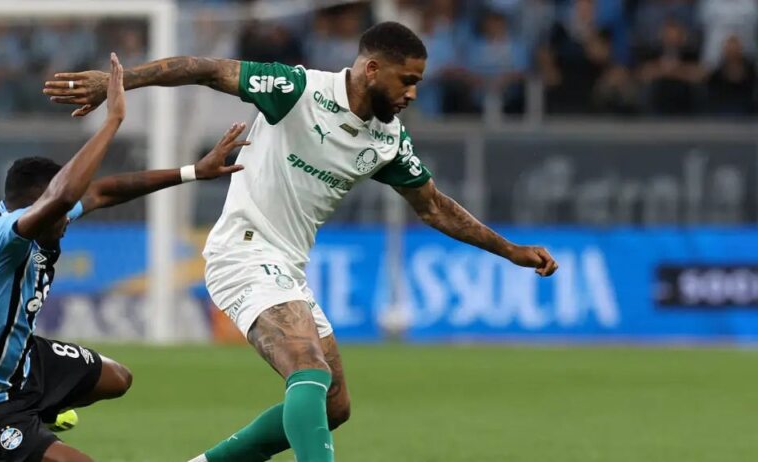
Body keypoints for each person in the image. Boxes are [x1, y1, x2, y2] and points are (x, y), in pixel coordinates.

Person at [45, 23, 558, 462]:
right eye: (408, 80)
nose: (413, 94)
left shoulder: (388, 139)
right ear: (372, 70)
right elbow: (205, 68)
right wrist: (118, 83)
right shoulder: (297, 90)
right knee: (308, 368)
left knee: (333, 405)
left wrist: (509, 249)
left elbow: (433, 206)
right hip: (243, 251)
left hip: (286, 268)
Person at [0, 53, 249, 462]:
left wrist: (192, 172)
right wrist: (113, 119)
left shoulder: (32, 218)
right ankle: (27, 428)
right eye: (60, 214)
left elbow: (100, 192)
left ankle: (40, 409)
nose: (69, 220)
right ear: (38, 207)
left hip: (24, 361)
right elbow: (63, 196)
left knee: (118, 379)